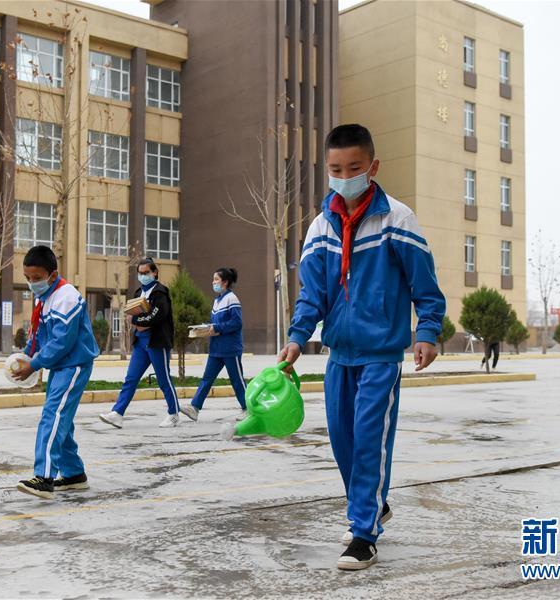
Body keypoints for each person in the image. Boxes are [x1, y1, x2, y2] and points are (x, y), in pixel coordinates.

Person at [278, 124, 446, 571]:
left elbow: (424, 286)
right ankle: (373, 503)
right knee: (344, 444)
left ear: (372, 167)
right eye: (336, 169)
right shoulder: (320, 228)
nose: (344, 176)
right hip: (339, 357)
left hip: (380, 356)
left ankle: (363, 534)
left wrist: (427, 331)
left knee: (370, 440)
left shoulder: (397, 219)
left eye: (354, 167)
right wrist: (297, 337)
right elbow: (311, 294)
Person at [11, 245, 99, 499]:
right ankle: (73, 474)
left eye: (36, 278)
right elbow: (39, 333)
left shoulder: (66, 297)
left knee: (53, 416)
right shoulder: (46, 296)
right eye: (27, 278)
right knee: (63, 420)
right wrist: (26, 356)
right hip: (61, 365)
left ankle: (44, 477)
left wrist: (35, 364)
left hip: (73, 364)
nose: (31, 283)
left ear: (52, 274)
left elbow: (62, 341)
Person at [99, 258, 181, 428]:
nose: (143, 276)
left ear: (155, 272)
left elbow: (157, 316)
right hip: (141, 342)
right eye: (140, 273)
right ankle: (117, 413)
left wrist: (137, 321)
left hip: (156, 341)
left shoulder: (160, 292)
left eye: (146, 273)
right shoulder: (138, 293)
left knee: (163, 378)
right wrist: (137, 322)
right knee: (131, 378)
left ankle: (174, 414)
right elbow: (132, 314)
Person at [180, 267, 247, 422]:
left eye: (216, 279)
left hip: (230, 349)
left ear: (225, 282)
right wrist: (205, 328)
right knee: (207, 378)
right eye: (214, 279)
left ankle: (248, 408)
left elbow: (236, 323)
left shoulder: (232, 299)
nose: (213, 282)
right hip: (216, 348)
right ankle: (195, 408)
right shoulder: (217, 300)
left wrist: (216, 328)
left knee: (237, 380)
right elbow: (218, 323)